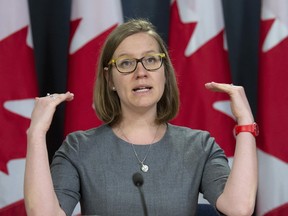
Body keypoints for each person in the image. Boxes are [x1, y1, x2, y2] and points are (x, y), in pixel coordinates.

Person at [24, 19, 258, 216]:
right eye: (126, 63)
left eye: (151, 59)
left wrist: (245, 122)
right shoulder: (78, 148)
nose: (141, 72)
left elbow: (239, 207)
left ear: (164, 72)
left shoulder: (199, 146)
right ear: (110, 79)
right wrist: (35, 135)